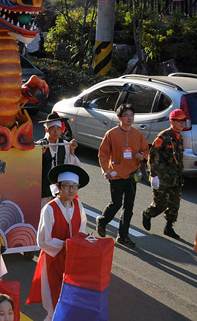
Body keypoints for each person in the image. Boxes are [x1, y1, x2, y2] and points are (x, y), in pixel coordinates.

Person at [27, 164, 89, 321]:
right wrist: (66, 245)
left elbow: (81, 229)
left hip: (72, 259)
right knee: (55, 297)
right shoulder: (49, 209)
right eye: (67, 186)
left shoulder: (78, 205)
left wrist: (79, 244)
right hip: (53, 259)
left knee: (72, 295)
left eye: (75, 186)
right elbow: (43, 240)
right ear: (58, 187)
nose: (71, 190)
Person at [96, 103, 149, 248]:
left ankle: (123, 235)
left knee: (129, 206)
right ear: (120, 117)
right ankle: (102, 221)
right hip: (116, 175)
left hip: (132, 175)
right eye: (126, 115)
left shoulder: (138, 135)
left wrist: (141, 156)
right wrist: (106, 170)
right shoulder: (111, 134)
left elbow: (146, 150)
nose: (130, 118)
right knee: (116, 203)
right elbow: (103, 154)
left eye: (132, 115)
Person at [141, 108, 188, 240]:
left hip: (176, 178)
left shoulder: (179, 137)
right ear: (172, 121)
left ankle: (169, 227)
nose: (182, 123)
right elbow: (153, 156)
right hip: (162, 178)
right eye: (179, 121)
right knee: (160, 204)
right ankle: (148, 214)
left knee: (174, 204)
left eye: (184, 120)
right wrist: (153, 174)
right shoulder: (163, 137)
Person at [35, 113, 79, 206]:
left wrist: (72, 150)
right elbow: (32, 166)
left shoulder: (65, 144)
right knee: (44, 210)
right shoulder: (40, 144)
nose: (56, 132)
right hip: (43, 184)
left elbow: (70, 165)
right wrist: (40, 154)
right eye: (53, 129)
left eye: (58, 129)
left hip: (59, 184)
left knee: (58, 210)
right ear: (47, 130)